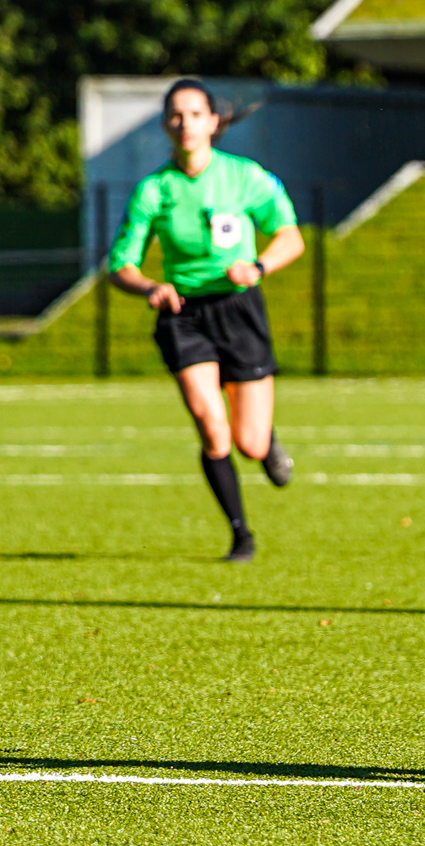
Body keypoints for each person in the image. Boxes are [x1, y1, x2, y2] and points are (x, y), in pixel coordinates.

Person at [107, 79, 303, 562]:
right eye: (176, 115)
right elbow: (120, 264)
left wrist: (257, 267)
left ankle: (266, 443)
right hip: (184, 316)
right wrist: (151, 286)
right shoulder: (154, 190)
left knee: (250, 441)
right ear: (164, 124)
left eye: (195, 114)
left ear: (213, 122)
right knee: (210, 427)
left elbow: (290, 236)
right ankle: (241, 535)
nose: (185, 124)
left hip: (238, 310)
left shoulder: (245, 177)